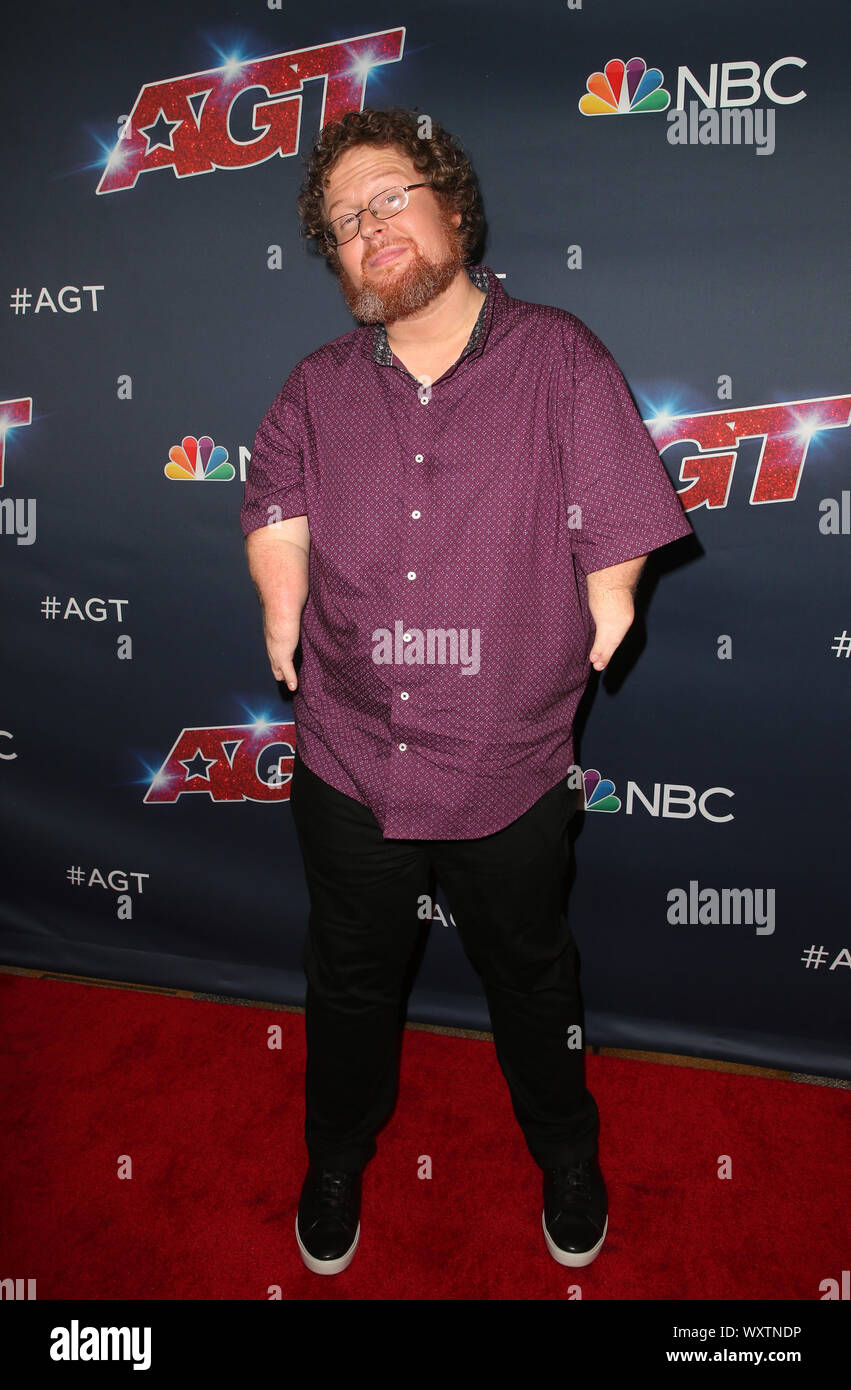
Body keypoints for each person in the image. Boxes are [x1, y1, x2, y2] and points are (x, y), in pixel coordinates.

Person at [240, 107, 694, 1276]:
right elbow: (275, 496)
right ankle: (335, 1156)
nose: (370, 228)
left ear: (450, 206)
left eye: (390, 196)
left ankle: (567, 1153)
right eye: (345, 220)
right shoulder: (316, 384)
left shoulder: (557, 355)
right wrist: (278, 603)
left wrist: (613, 593)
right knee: (347, 980)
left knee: (532, 977)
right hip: (345, 753)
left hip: (507, 760)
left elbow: (612, 505)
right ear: (334, 258)